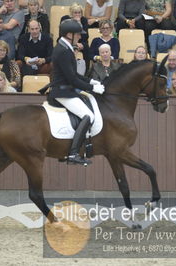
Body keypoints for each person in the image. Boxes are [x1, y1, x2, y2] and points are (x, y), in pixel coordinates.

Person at [47, 19, 105, 165]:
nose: (80, 37)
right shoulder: (63, 51)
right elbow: (72, 79)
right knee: (88, 115)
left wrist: (90, 81)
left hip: (66, 90)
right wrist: (92, 88)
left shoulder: (65, 48)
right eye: (78, 34)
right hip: (62, 93)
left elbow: (73, 74)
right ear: (69, 34)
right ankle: (73, 153)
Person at [61, 3, 90, 71]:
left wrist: (79, 24)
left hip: (80, 41)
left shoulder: (84, 20)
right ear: (71, 13)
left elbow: (85, 36)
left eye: (79, 13)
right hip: (68, 40)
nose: (77, 15)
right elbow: (63, 34)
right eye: (75, 13)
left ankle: (86, 71)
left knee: (86, 46)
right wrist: (74, 44)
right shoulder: (65, 19)